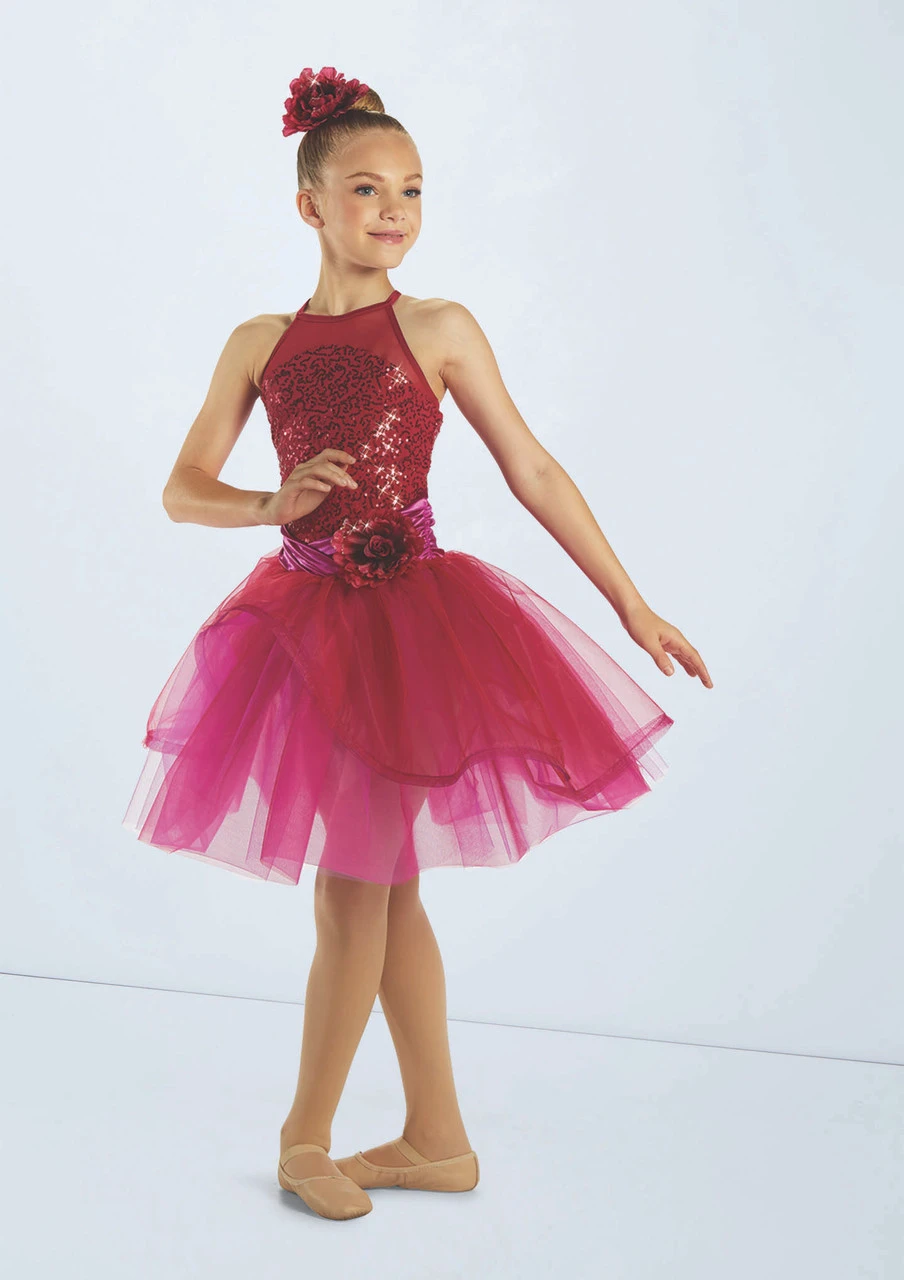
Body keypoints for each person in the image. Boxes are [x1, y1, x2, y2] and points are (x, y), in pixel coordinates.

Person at [122, 66, 713, 1221]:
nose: (393, 210)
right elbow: (182, 486)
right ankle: (436, 1139)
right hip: (304, 627)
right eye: (366, 189)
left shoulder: (437, 326)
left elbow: (532, 467)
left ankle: (306, 1136)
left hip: (416, 630)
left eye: (412, 189)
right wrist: (269, 502)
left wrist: (631, 604)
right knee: (381, 893)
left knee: (358, 888)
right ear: (310, 204)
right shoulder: (258, 340)